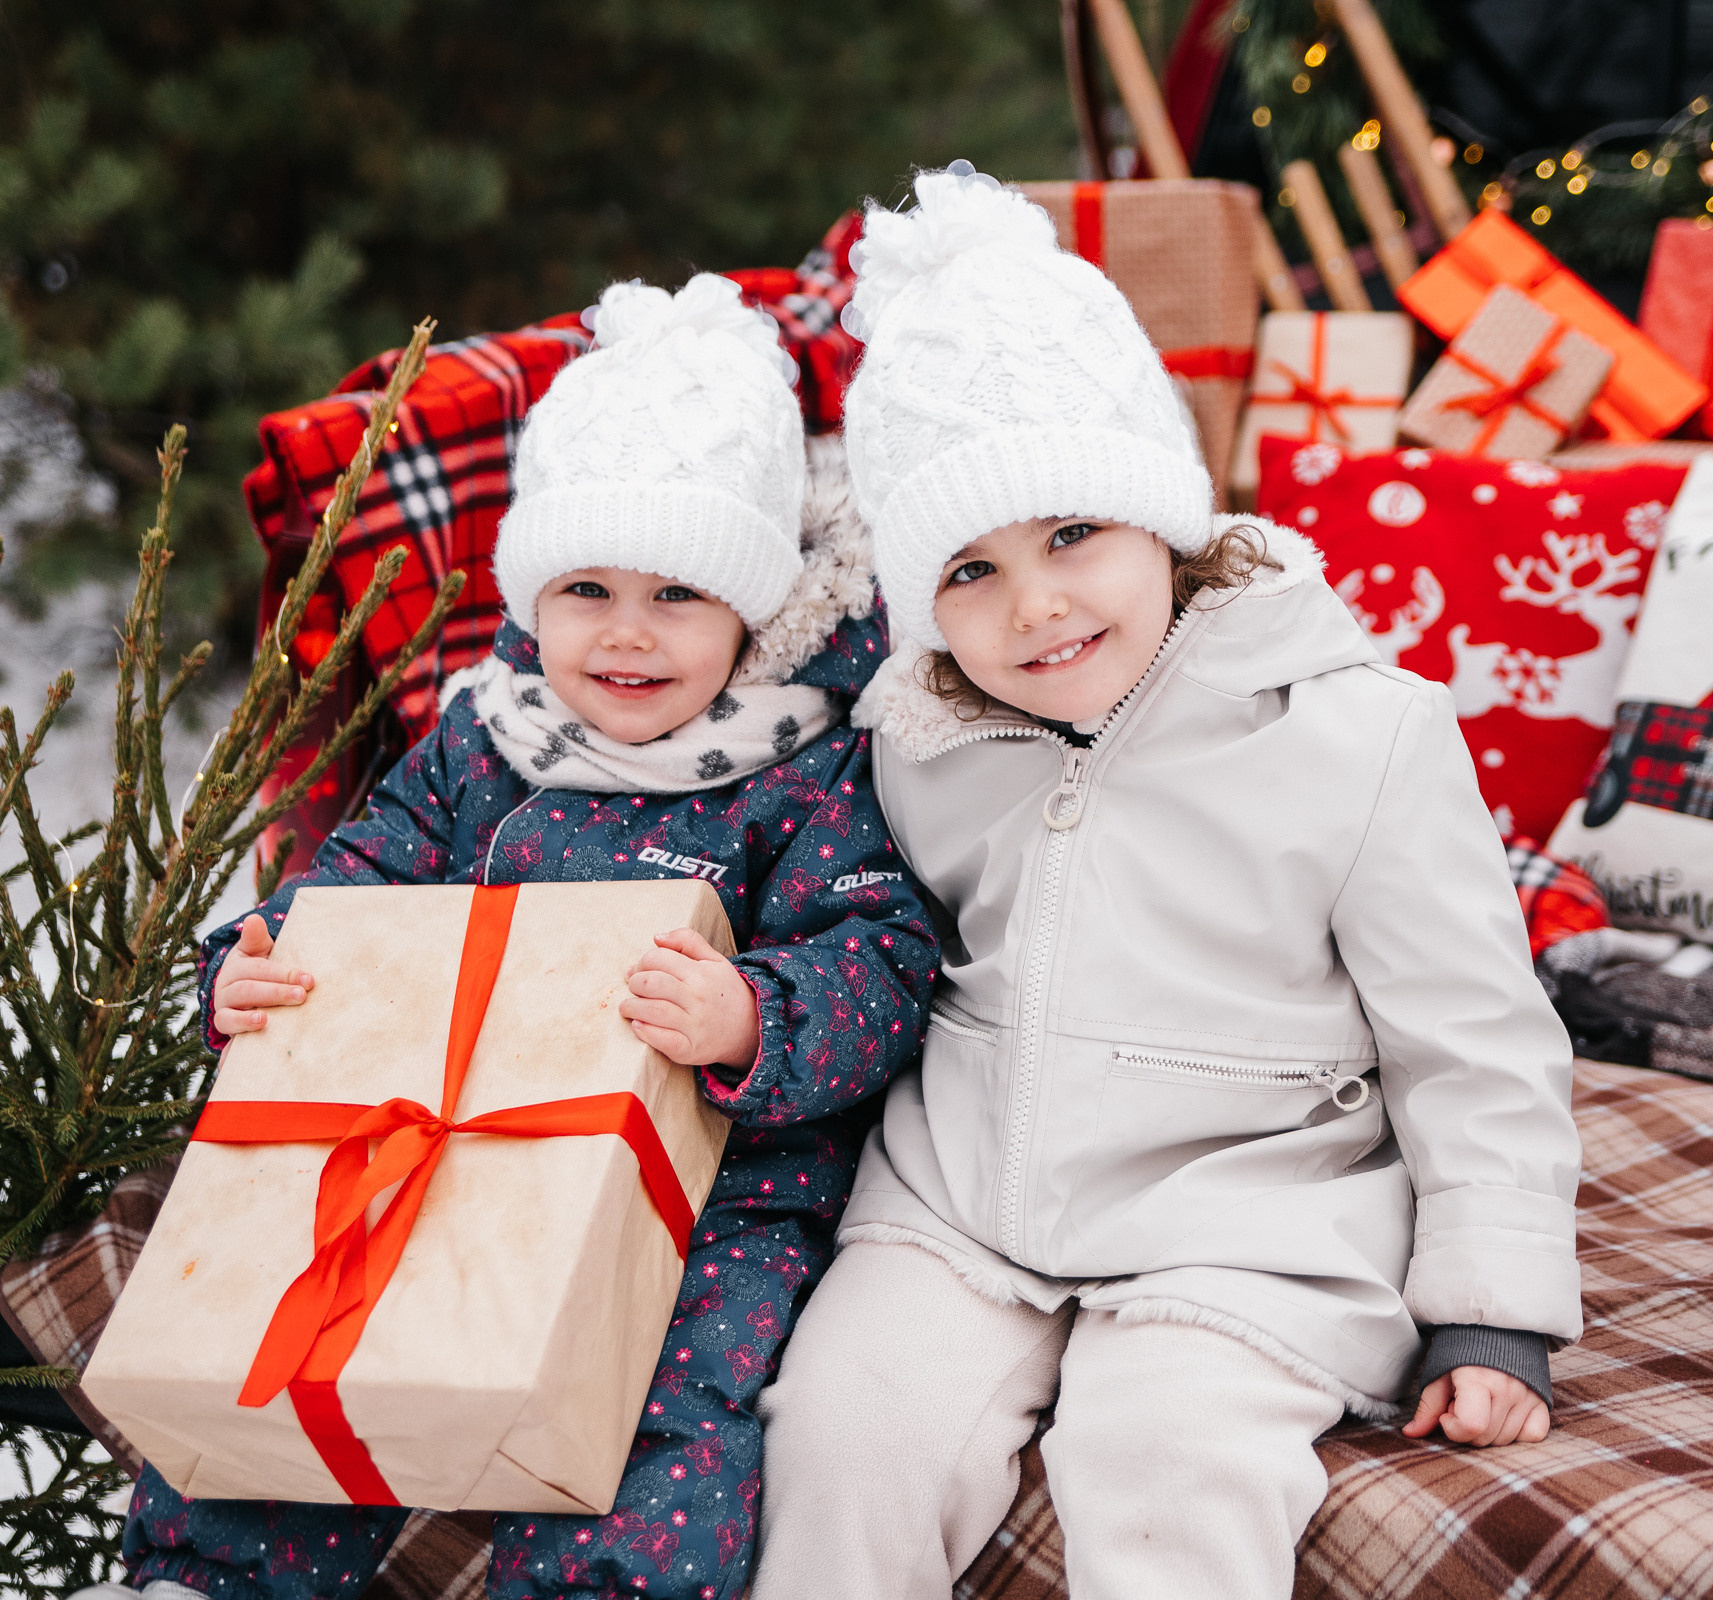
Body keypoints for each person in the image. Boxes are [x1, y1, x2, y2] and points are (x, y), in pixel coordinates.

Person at [752, 165, 1581, 1600]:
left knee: (1163, 1468)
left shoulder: (1355, 730)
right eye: (972, 569)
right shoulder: (917, 739)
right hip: (967, 1199)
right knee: (844, 1435)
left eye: (1075, 533)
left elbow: (1474, 1040)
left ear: (1168, 519)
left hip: (1250, 1215)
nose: (1037, 606)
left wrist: (1492, 1314)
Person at [83, 274, 936, 1600]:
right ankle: (211, 1574)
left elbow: (877, 954)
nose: (629, 633)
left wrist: (756, 1018)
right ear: (534, 598)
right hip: (447, 1141)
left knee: (668, 1408)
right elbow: (350, 889)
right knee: (302, 1324)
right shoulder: (484, 749)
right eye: (587, 587)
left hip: (711, 1198)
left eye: (680, 595)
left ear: (752, 616)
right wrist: (254, 966)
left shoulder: (805, 773)